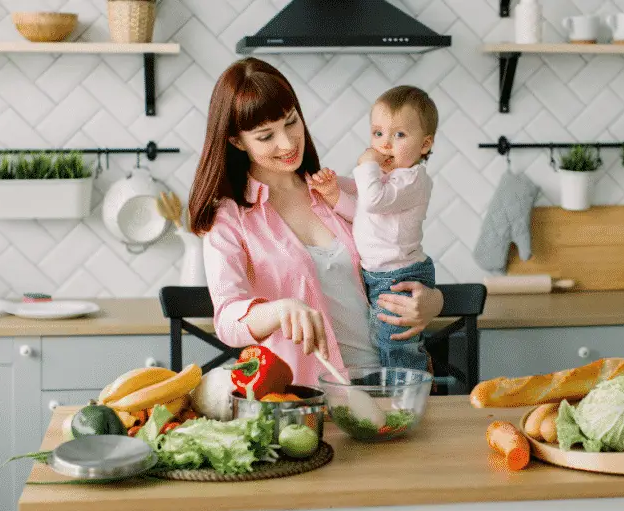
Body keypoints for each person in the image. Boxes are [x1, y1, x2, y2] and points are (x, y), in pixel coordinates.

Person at [188, 58, 444, 387]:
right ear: (237, 141)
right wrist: (278, 310)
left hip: (392, 382)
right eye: (266, 136)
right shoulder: (230, 219)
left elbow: (404, 259)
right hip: (311, 396)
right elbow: (227, 319)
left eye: (291, 122)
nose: (288, 143)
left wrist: (432, 303)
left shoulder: (340, 191)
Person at [306, 86, 437, 372]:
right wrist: (332, 196)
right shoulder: (388, 180)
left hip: (399, 275)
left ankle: (407, 396)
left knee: (396, 345)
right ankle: (399, 394)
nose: (386, 144)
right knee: (385, 342)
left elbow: (374, 201)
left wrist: (367, 165)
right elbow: (364, 216)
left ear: (424, 145)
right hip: (379, 275)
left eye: (399, 135)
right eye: (378, 133)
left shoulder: (412, 180)